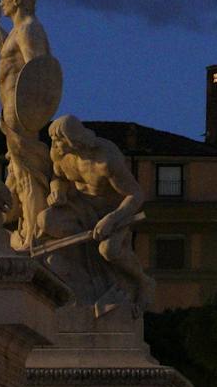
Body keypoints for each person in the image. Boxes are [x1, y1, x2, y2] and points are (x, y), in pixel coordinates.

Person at [44, 115, 154, 313]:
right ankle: (82, 283)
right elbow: (57, 177)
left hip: (112, 212)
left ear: (71, 139)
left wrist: (112, 219)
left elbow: (136, 194)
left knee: (109, 251)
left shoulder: (106, 159)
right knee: (46, 220)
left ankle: (142, 281)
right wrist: (57, 191)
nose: (54, 144)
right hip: (79, 208)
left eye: (58, 140)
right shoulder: (60, 155)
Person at [0, 0, 56, 250]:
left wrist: (31, 112)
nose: (1, 1)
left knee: (27, 171)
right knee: (18, 168)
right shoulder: (18, 30)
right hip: (12, 110)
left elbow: (38, 72)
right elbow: (8, 57)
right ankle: (25, 224)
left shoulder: (28, 30)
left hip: (20, 111)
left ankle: (33, 233)